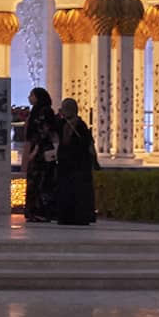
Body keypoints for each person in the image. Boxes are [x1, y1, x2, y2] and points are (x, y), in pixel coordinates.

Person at [53, 97, 97, 226]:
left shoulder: (79, 125)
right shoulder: (64, 124)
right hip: (69, 165)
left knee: (77, 192)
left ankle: (77, 216)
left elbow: (84, 143)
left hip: (77, 165)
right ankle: (67, 216)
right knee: (68, 191)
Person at [22, 87, 58, 222]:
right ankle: (33, 211)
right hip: (36, 150)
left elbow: (44, 132)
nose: (29, 97)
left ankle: (41, 211)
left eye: (31, 95)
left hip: (42, 152)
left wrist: (36, 149)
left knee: (42, 181)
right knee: (34, 181)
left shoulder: (45, 112)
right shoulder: (35, 111)